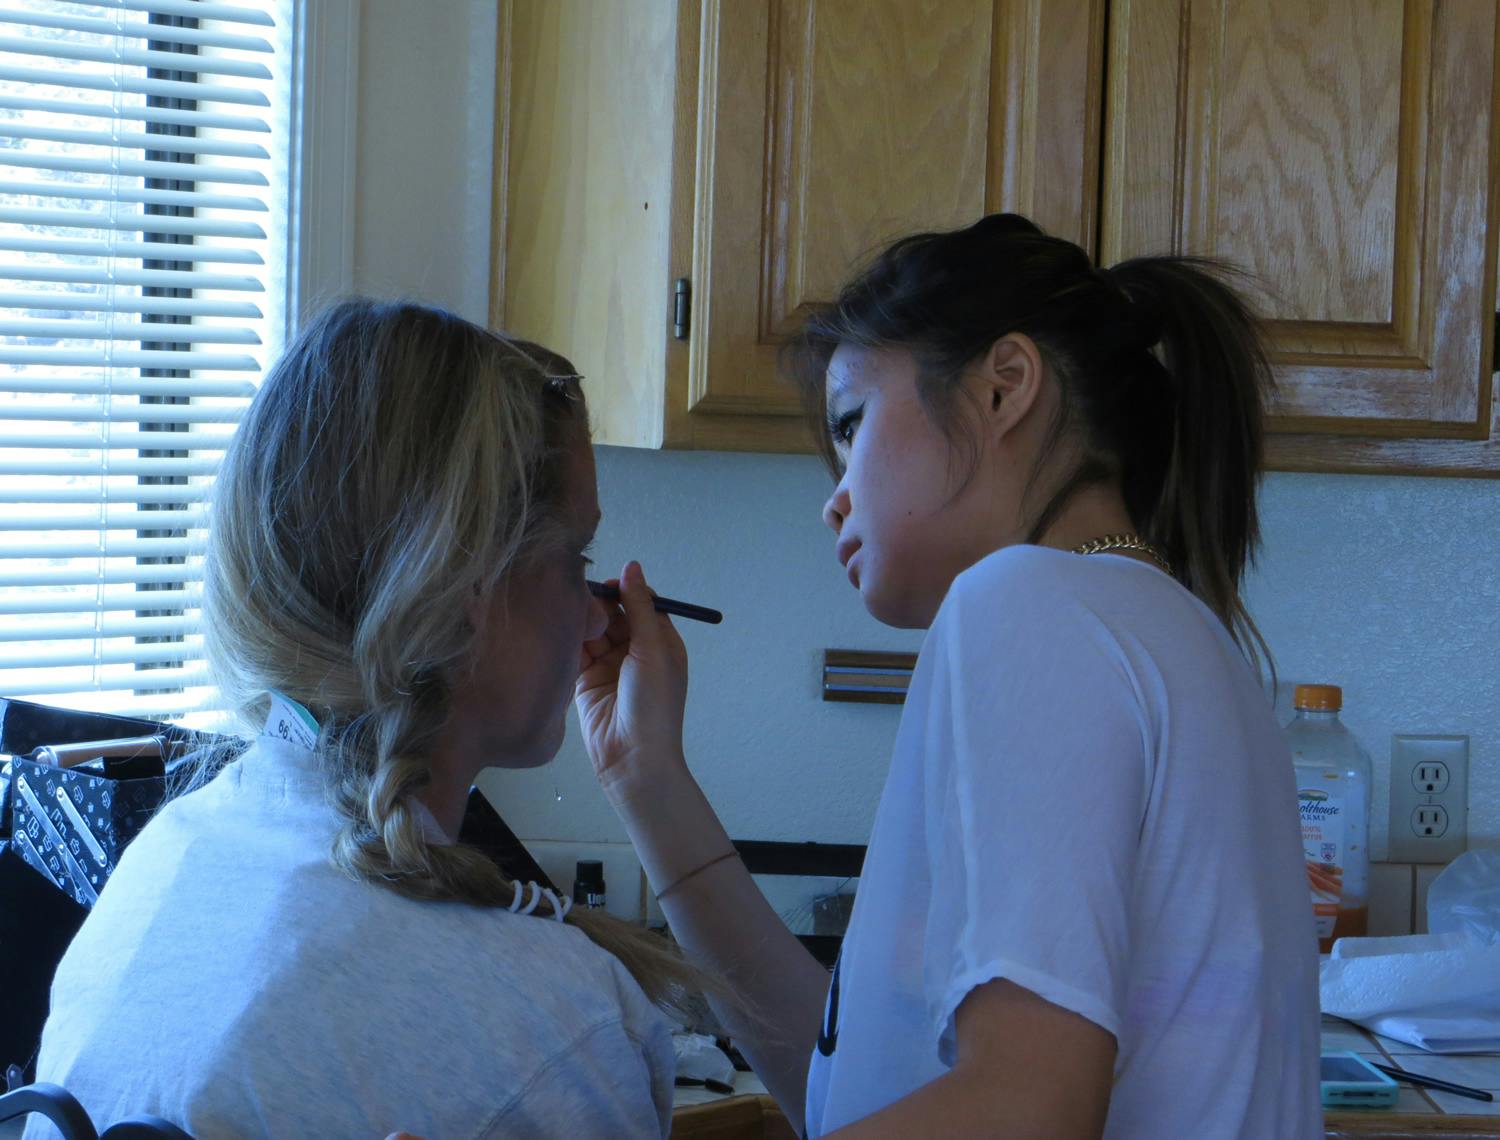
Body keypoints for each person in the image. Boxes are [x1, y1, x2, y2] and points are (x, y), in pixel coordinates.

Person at [576, 214, 1321, 1138]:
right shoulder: (1176, 632)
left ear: (1005, 386)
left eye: (851, 423)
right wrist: (646, 784)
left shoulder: (1028, 603)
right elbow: (849, 1085)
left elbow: (1024, 1109)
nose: (832, 497)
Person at [27, 300, 698, 1139]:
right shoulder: (556, 1026)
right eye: (577, 562)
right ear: (463, 592)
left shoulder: (160, 866)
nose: (600, 618)